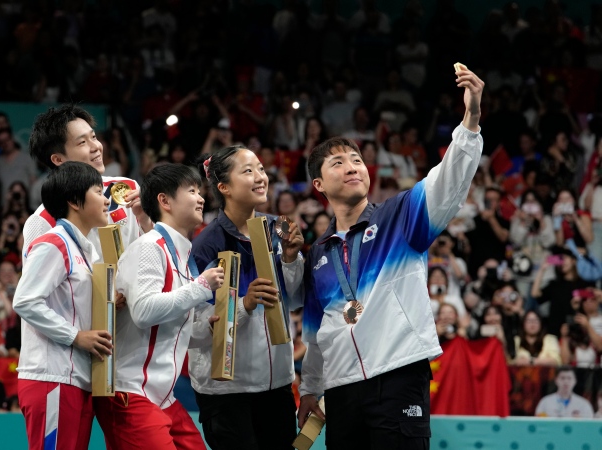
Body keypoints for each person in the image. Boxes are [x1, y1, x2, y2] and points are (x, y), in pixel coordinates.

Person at [298, 66, 484, 449]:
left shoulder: (399, 217)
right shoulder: (318, 253)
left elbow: (446, 182)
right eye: (338, 163)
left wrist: (470, 121)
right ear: (318, 185)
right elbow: (315, 334)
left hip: (399, 376)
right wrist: (310, 390)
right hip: (342, 389)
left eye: (356, 160)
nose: (351, 167)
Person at [94, 164, 225, 450]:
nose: (201, 198)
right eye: (191, 191)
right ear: (164, 201)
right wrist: (201, 286)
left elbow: (172, 328)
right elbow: (143, 312)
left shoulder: (183, 255)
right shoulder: (149, 247)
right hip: (130, 393)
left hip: (163, 398)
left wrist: (207, 329)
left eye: (200, 191)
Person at [189, 145, 304, 450]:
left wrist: (292, 260)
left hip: (277, 382)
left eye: (262, 169)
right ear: (224, 187)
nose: (261, 176)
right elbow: (194, 325)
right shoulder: (205, 246)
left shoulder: (276, 230)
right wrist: (244, 304)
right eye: (248, 170)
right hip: (227, 391)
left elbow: (295, 296)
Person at [13, 161, 114, 450]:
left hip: (75, 379)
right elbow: (25, 300)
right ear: (74, 201)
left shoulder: (84, 249)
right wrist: (76, 336)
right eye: (98, 191)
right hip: (51, 378)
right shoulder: (53, 243)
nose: (107, 199)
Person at [23, 103, 151, 260]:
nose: (96, 147)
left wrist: (146, 221)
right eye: (82, 142)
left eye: (94, 137)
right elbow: (37, 281)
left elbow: (153, 254)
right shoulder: (43, 220)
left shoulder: (125, 189)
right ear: (58, 159)